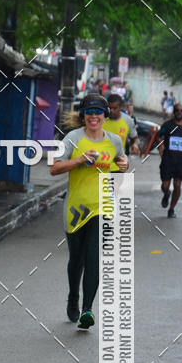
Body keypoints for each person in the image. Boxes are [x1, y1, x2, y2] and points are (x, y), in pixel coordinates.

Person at [49, 94, 128, 330]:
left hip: (102, 205)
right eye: (89, 112)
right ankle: (73, 296)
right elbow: (54, 168)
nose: (94, 116)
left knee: (94, 256)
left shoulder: (114, 141)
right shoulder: (72, 138)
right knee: (77, 259)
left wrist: (125, 166)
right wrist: (79, 160)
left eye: (98, 112)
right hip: (76, 207)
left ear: (105, 115)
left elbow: (119, 165)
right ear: (83, 115)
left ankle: (87, 309)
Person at [157, 103, 182, 218]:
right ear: (174, 112)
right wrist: (161, 145)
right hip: (167, 160)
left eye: (181, 110)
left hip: (181, 161)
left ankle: (171, 209)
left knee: (177, 185)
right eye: (177, 110)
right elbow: (158, 135)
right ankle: (167, 193)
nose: (179, 112)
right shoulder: (167, 125)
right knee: (165, 185)